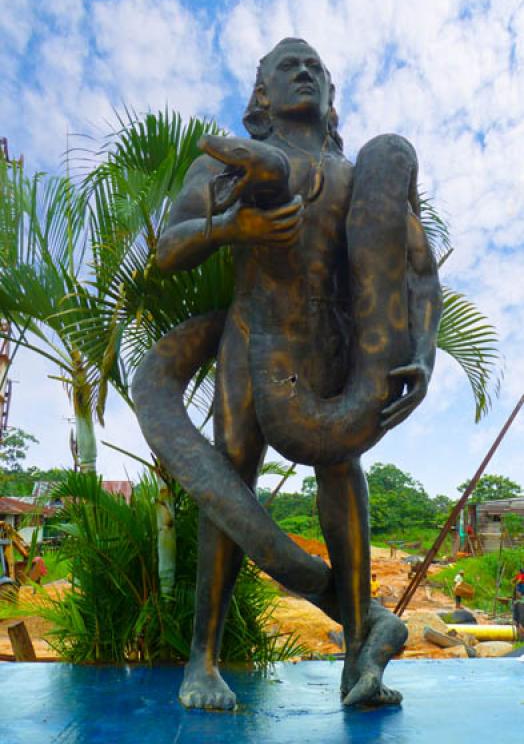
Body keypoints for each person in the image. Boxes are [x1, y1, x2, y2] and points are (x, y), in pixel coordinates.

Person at [134, 38, 441, 710]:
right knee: (231, 473)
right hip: (248, 341)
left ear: (332, 98)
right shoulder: (231, 167)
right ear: (262, 97)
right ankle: (203, 661)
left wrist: (425, 346)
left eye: (318, 68)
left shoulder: (361, 178)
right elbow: (168, 246)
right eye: (287, 65)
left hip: (332, 346)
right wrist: (233, 224)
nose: (305, 71)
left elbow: (417, 269)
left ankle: (358, 656)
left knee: (342, 469)